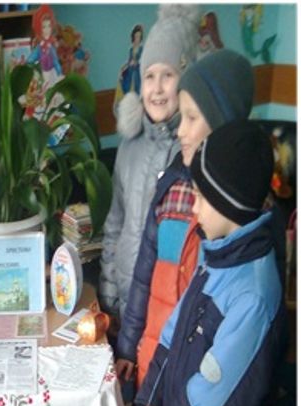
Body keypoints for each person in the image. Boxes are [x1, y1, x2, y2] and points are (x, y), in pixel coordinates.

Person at [136, 119, 286, 406]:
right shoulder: (216, 254)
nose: (194, 205)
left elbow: (215, 404)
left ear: (228, 204)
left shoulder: (253, 296)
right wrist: (152, 398)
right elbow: (173, 331)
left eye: (201, 197)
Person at [98, 4, 200, 319]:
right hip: (126, 301)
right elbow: (115, 224)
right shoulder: (129, 145)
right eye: (149, 76)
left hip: (170, 310)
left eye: (168, 76)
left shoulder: (194, 149)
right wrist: (109, 292)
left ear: (186, 79)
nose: (156, 89)